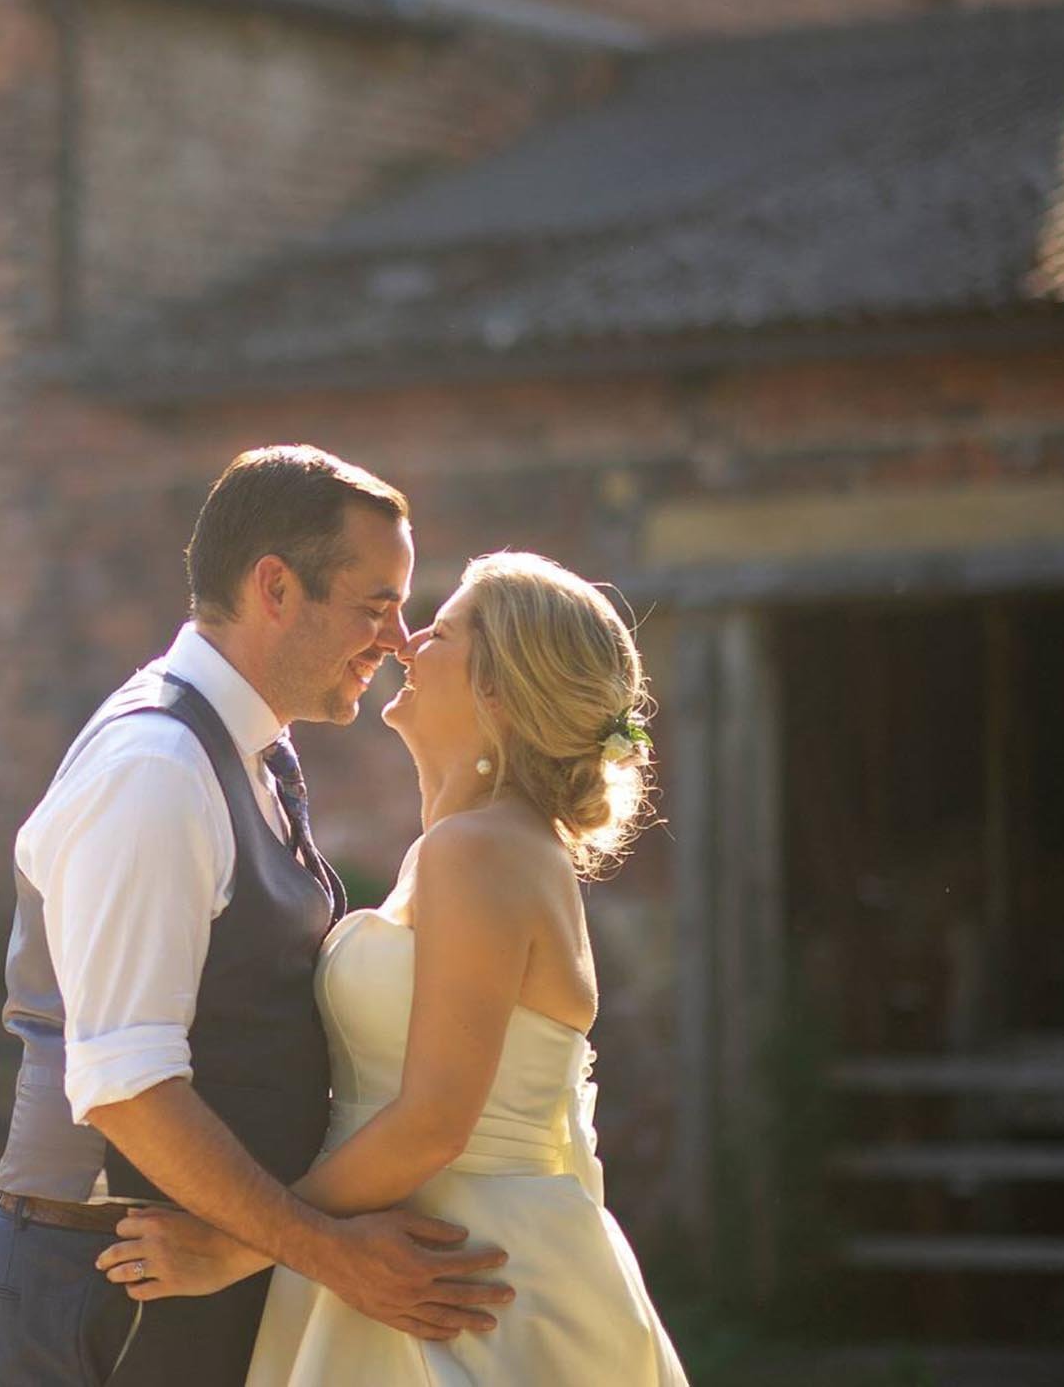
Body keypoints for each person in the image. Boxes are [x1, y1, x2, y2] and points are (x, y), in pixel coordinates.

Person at [0, 447, 515, 1387]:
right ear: (275, 586)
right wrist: (332, 1250)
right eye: (374, 602)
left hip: (189, 1267)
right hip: (120, 1278)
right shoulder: (156, 768)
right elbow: (126, 1085)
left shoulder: (254, 754)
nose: (396, 640)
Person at [96, 550, 690, 1385]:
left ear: (496, 688)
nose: (406, 643)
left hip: (454, 1281)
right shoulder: (477, 847)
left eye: (441, 630)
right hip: (417, 1253)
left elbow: (434, 1122)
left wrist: (239, 1248)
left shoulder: (477, 852)